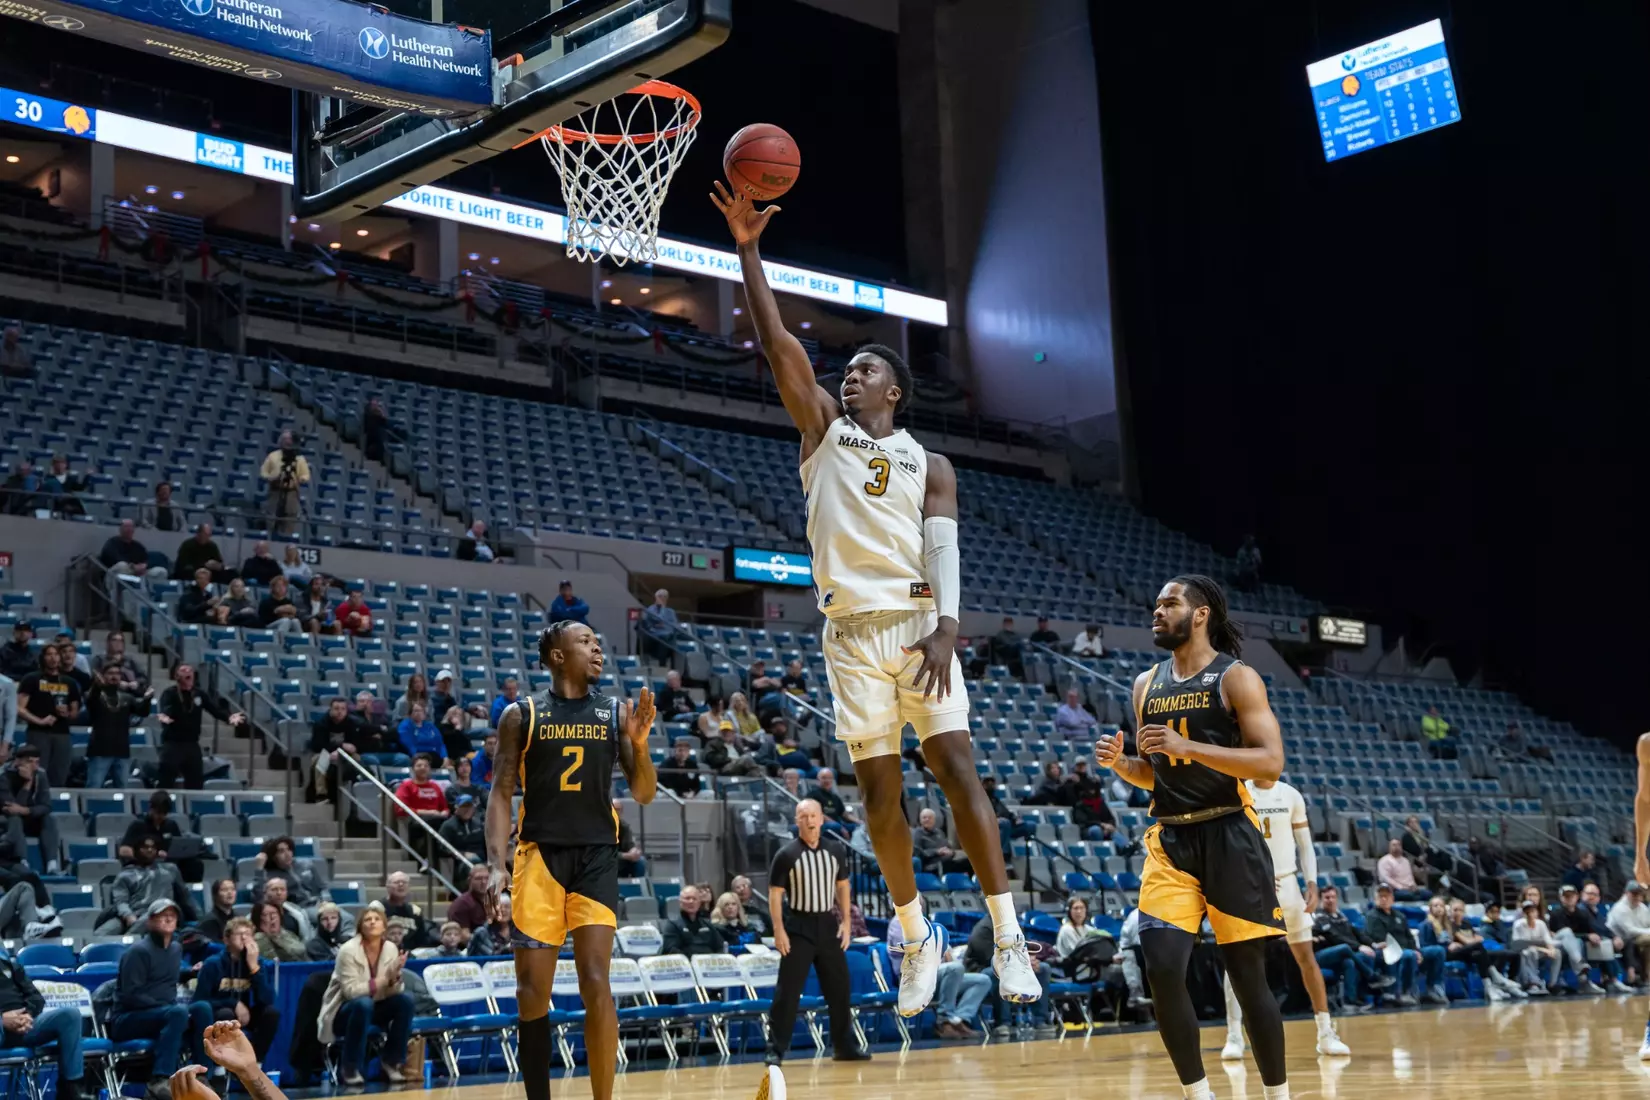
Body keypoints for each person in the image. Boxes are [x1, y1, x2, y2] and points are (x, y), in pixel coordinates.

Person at [714, 179, 1038, 1021]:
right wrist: (748, 250)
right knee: (880, 800)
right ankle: (914, 934)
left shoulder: (933, 465)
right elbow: (777, 339)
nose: (846, 377)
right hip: (849, 635)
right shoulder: (823, 428)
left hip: (917, 625)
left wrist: (948, 630)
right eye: (846, 372)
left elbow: (944, 550)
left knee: (960, 770)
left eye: (863, 371)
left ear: (894, 389)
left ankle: (1007, 937)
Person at [1095, 574, 1290, 1100]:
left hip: (1230, 832)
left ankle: (1278, 1095)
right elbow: (1154, 772)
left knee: (1249, 983)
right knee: (1161, 968)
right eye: (1155, 604)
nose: (1157, 611)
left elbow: (1270, 766)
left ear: (1200, 614)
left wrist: (1191, 745)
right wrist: (1122, 766)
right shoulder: (1145, 684)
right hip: (1171, 842)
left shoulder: (1237, 678)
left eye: (1170, 603)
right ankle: (1199, 1095)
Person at [486, 622, 657, 1100]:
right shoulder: (522, 714)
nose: (597, 646)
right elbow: (500, 792)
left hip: (598, 855)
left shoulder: (614, 712)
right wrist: (496, 863)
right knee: (531, 995)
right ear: (557, 656)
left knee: (597, 981)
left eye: (598, 641)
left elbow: (643, 793)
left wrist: (640, 744)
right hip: (539, 857)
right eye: (585, 641)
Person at [1222, 776, 1350, 1061]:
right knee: (1238, 961)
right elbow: (1233, 843)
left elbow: (1305, 845)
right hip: (1253, 886)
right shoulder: (1240, 792)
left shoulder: (1291, 795)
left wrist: (1313, 883)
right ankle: (1233, 1036)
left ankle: (1326, 1033)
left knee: (1307, 959)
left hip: (1288, 884)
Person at [762, 799, 865, 1066]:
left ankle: (844, 1047)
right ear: (797, 821)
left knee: (839, 989)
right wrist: (778, 929)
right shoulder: (786, 854)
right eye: (804, 816)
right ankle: (775, 1049)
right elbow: (775, 895)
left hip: (828, 926)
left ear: (821, 819)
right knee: (788, 991)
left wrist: (845, 922)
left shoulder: (835, 850)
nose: (809, 820)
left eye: (813, 815)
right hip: (798, 927)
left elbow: (842, 886)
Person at [107, 899, 214, 1100]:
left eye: (172, 915)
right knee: (177, 1012)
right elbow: (129, 995)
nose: (168, 918)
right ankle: (160, 1079)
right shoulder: (138, 951)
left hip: (162, 1014)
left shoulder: (175, 949)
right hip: (127, 1018)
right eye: (161, 915)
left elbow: (164, 976)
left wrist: (188, 973)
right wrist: (164, 1007)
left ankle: (201, 1075)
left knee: (202, 1008)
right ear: (149, 922)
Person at [318, 905, 415, 1085]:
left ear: (384, 926)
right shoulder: (348, 950)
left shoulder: (391, 949)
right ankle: (350, 1067)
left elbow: (391, 991)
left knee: (406, 1000)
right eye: (367, 919)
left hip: (375, 1006)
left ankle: (391, 1061)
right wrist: (384, 979)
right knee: (363, 1004)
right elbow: (350, 992)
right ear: (360, 926)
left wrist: (394, 980)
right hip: (344, 1011)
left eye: (377, 919)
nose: (372, 922)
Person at [0, 940, 87, 1100]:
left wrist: (26, 1016)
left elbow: (35, 997)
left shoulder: (9, 963)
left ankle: (71, 1089)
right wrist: (2, 1021)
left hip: (24, 1024)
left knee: (70, 1016)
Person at [194, 917, 281, 1059]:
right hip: (218, 1016)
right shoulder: (213, 964)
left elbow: (268, 999)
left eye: (248, 934)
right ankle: (221, 1066)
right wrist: (233, 1004)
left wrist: (254, 969)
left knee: (272, 1013)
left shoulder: (256, 963)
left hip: (244, 1016)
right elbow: (199, 1001)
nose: (244, 938)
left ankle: (255, 1062)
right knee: (226, 1014)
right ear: (227, 940)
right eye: (239, 934)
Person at [155, 664, 246, 789]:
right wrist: (165, 718)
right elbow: (165, 711)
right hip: (173, 743)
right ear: (177, 676)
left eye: (190, 671)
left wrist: (229, 718)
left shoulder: (199, 694)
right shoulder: (170, 693)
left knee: (196, 780)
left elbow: (214, 710)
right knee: (166, 779)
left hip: (192, 743)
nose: (188, 672)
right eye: (183, 670)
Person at [1365, 884, 1448, 1003]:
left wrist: (1417, 950)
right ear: (1375, 899)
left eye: (1386, 896)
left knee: (1438, 951)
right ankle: (1406, 992)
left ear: (1392, 899)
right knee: (1409, 954)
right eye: (1380, 896)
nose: (1384, 899)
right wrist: (1411, 951)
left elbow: (1410, 938)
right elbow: (1382, 939)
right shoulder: (1372, 916)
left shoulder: (1400, 916)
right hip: (1387, 952)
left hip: (1408, 950)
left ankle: (1434, 989)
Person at [15, 645, 82, 788]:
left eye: (56, 654)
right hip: (38, 732)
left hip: (62, 733)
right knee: (37, 773)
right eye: (49, 655)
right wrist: (39, 721)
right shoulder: (31, 679)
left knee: (60, 773)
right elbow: (19, 708)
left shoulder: (69, 682)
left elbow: (75, 711)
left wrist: (68, 713)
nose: (53, 658)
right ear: (43, 658)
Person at [98, 835, 185, 934]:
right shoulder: (125, 875)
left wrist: (198, 919)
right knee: (103, 932)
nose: (150, 850)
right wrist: (128, 915)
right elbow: (121, 902)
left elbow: (185, 896)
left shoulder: (169, 870)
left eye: (153, 848)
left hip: (160, 914)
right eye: (145, 847)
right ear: (136, 851)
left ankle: (127, 943)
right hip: (133, 914)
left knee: (147, 919)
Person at [85, 665, 151, 790]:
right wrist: (97, 686)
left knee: (122, 790)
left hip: (122, 751)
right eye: (110, 673)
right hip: (100, 750)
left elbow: (143, 712)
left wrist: (147, 699)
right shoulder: (96, 695)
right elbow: (91, 700)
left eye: (117, 673)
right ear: (103, 676)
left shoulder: (127, 697)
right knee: (94, 787)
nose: (114, 676)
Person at [2, 745, 61, 875]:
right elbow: (10, 808)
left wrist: (26, 811)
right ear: (17, 761)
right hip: (7, 821)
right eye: (30, 761)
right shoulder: (3, 776)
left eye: (37, 762)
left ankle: (52, 864)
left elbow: (46, 806)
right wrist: (27, 784)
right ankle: (22, 862)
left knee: (49, 819)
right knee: (15, 819)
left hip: (29, 817)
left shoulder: (40, 774)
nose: (34, 766)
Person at [1579, 882, 1634, 992]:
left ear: (1599, 898)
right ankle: (1613, 980)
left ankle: (1631, 973)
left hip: (1599, 941)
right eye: (1589, 893)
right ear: (1582, 895)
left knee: (1627, 941)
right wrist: (1610, 938)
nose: (1591, 896)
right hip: (1584, 942)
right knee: (1606, 944)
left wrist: (1615, 937)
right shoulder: (1580, 909)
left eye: (1595, 894)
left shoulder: (1596, 912)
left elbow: (1605, 928)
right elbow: (1593, 928)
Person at [251, 835, 327, 909]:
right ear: (272, 856)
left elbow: (322, 887)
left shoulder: (306, 864)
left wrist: (327, 901)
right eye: (281, 851)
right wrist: (259, 869)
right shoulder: (269, 876)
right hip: (300, 909)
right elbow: (258, 900)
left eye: (289, 849)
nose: (288, 854)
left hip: (321, 905)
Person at [260, 430, 310, 537]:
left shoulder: (299, 459)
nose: (287, 442)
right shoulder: (272, 456)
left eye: (289, 440)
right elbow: (264, 473)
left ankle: (286, 539)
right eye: (285, 440)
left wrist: (300, 479)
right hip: (275, 490)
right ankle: (269, 537)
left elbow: (306, 475)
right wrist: (272, 477)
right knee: (271, 516)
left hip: (291, 492)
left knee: (290, 517)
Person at [1512, 897, 1563, 994]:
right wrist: (1543, 949)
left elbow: (1548, 940)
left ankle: (1552, 983)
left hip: (1540, 951)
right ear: (1523, 913)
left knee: (1557, 953)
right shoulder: (1518, 925)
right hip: (1524, 951)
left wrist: (1551, 949)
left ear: (1536, 912)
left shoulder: (1541, 924)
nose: (1530, 913)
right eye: (1527, 911)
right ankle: (1533, 983)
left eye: (1532, 910)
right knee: (1530, 951)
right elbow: (1520, 944)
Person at [1609, 881, 1650, 986]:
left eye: (1639, 894)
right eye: (1634, 893)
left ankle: (1646, 978)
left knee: (1647, 947)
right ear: (1626, 893)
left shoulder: (1642, 908)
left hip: (1636, 939)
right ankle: (1645, 977)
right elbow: (1629, 931)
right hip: (1620, 940)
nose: (1636, 897)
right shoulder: (1620, 908)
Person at [662, 885, 720, 956]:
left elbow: (720, 946)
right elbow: (671, 949)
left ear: (699, 903)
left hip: (708, 964)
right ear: (680, 902)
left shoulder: (708, 924)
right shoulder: (672, 924)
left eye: (694, 899)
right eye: (687, 898)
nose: (691, 901)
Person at [440, 794, 488, 869]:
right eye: (464, 807)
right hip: (461, 862)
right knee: (473, 862)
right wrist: (462, 854)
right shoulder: (448, 826)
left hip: (483, 860)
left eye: (469, 807)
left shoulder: (478, 823)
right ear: (456, 808)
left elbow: (487, 844)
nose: (467, 810)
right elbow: (443, 848)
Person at [638, 588, 679, 663]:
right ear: (656, 597)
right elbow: (658, 618)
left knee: (666, 639)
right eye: (660, 596)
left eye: (665, 596)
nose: (662, 598)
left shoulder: (671, 611)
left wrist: (664, 625)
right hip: (654, 635)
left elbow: (675, 625)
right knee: (660, 639)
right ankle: (659, 663)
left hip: (667, 635)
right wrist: (662, 608)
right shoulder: (651, 608)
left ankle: (662, 664)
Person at [447, 863, 493, 931]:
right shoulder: (461, 904)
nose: (484, 882)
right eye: (478, 878)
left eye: (487, 878)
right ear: (469, 881)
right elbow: (463, 935)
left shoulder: (494, 900)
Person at [196, 878, 239, 943]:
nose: (230, 892)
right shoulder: (208, 922)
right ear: (215, 895)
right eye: (224, 890)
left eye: (233, 889)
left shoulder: (239, 919)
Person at [615, 800, 644, 878]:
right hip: (605, 861)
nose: (615, 812)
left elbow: (630, 844)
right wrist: (626, 855)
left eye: (618, 809)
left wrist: (634, 851)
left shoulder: (624, 827)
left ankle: (638, 887)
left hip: (622, 860)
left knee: (640, 861)